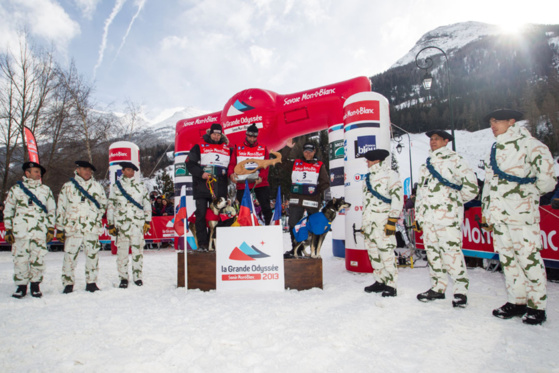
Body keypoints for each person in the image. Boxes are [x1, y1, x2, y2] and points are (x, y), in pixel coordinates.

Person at [481, 109, 556, 325]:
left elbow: (548, 182)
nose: (492, 125)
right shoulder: (494, 150)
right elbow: (489, 184)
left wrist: (526, 196)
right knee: (509, 261)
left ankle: (537, 306)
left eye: (497, 121)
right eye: (490, 121)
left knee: (529, 259)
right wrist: (488, 212)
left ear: (512, 121)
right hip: (499, 216)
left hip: (521, 215)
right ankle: (517, 301)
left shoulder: (532, 145)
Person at [414, 130, 478, 307]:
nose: (433, 142)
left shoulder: (456, 160)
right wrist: (419, 216)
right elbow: (421, 193)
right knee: (433, 254)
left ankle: (460, 291)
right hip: (428, 219)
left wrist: (453, 203)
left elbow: (472, 187)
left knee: (452, 254)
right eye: (431, 139)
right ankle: (438, 287)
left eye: (436, 139)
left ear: (446, 141)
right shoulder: (425, 165)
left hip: (446, 218)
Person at [4, 162, 56, 298]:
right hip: (21, 231)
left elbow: (51, 210)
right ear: (27, 173)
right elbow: (8, 210)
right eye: (36, 172)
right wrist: (8, 229)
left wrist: (51, 227)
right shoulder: (16, 189)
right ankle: (21, 286)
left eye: (39, 172)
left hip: (39, 231)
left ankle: (35, 285)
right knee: (20, 259)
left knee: (38, 258)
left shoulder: (45, 190)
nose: (39, 175)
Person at [57, 160, 107, 293]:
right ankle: (68, 284)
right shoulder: (68, 187)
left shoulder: (97, 187)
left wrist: (96, 216)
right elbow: (61, 208)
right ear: (78, 170)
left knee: (92, 255)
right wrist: (59, 227)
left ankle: (91, 282)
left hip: (91, 228)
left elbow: (103, 204)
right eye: (85, 169)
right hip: (73, 227)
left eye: (89, 170)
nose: (87, 172)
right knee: (70, 256)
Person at [361, 150, 403, 297]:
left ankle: (391, 284)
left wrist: (392, 221)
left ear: (375, 160)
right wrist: (364, 222)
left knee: (386, 253)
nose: (366, 162)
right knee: (374, 254)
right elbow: (366, 203)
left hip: (383, 222)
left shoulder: (390, 175)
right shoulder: (368, 178)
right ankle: (380, 281)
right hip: (370, 224)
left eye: (368, 160)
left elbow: (397, 199)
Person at [186, 123, 231, 251]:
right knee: (201, 214)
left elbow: (232, 166)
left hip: (220, 188)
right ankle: (203, 244)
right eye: (214, 134)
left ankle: (218, 243)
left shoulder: (227, 148)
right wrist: (201, 174)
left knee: (222, 216)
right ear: (209, 133)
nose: (216, 137)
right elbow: (189, 163)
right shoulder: (199, 146)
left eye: (218, 134)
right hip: (202, 187)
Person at [281, 139, 330, 257]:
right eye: (306, 151)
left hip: (312, 201)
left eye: (310, 151)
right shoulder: (296, 162)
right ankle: (295, 250)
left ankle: (313, 251)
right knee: (293, 224)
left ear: (314, 151)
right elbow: (283, 162)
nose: (308, 153)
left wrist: (322, 196)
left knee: (315, 226)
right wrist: (287, 148)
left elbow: (325, 183)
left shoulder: (319, 165)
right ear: (303, 152)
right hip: (296, 201)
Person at [107, 162, 152, 288]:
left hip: (137, 224)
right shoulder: (116, 187)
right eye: (128, 170)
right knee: (122, 253)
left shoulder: (140, 186)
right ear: (122, 171)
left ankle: (137, 277)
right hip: (122, 225)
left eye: (132, 171)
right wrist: (111, 224)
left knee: (138, 252)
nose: (131, 172)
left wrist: (147, 221)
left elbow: (146, 204)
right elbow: (111, 205)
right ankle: (123, 278)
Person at [228, 123, 273, 224]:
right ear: (246, 135)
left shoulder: (262, 148)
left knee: (266, 207)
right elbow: (232, 164)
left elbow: (266, 166)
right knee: (243, 210)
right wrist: (231, 174)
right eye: (250, 136)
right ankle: (245, 231)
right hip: (243, 184)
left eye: (254, 137)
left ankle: (269, 230)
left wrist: (261, 177)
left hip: (260, 183)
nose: (252, 139)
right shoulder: (238, 147)